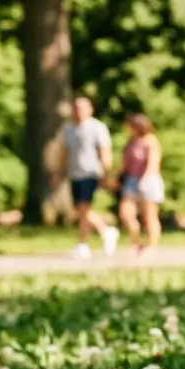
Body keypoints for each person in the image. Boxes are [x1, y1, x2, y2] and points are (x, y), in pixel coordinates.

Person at [65, 96, 117, 259]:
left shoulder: (97, 128)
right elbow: (65, 153)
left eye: (81, 108)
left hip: (91, 172)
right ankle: (105, 230)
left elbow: (104, 152)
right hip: (75, 173)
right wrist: (58, 173)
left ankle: (82, 243)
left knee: (83, 208)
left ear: (89, 109)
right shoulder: (69, 129)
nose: (78, 111)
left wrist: (106, 173)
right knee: (80, 210)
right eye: (75, 108)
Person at [115, 113, 164, 255]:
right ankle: (135, 242)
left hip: (148, 180)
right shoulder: (130, 142)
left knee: (149, 216)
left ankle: (152, 246)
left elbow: (153, 163)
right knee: (126, 213)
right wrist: (117, 179)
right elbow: (125, 165)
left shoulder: (151, 141)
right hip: (131, 180)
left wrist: (145, 180)